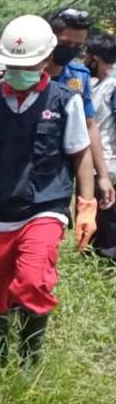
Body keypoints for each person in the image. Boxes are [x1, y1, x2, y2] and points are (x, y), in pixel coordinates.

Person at [0, 15, 95, 366]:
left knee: (34, 282)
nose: (20, 71)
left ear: (47, 60)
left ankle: (30, 360)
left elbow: (79, 153)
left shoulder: (66, 101)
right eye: (13, 65)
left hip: (44, 207)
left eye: (28, 64)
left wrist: (87, 204)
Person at [44, 8, 116, 213]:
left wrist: (102, 175)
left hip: (61, 170)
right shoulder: (24, 72)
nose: (71, 50)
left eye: (78, 46)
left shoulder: (79, 77)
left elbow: (89, 126)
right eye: (66, 44)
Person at [88, 33, 116, 258]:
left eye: (86, 55)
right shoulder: (100, 86)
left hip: (109, 166)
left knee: (109, 226)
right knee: (100, 223)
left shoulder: (112, 86)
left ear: (95, 58)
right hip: (100, 166)